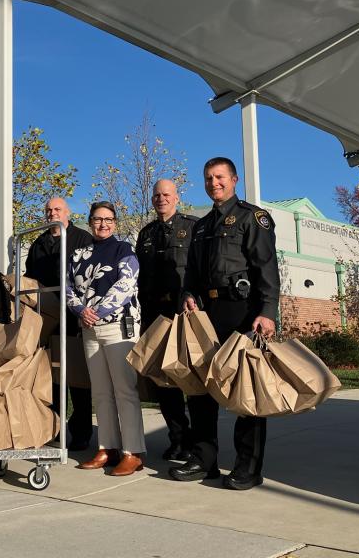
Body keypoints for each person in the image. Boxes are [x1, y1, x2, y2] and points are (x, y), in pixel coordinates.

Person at [172, 157, 278, 491]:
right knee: (200, 389)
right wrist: (188, 294)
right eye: (208, 178)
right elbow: (191, 272)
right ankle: (204, 460)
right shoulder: (202, 226)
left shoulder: (252, 217)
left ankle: (248, 467)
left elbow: (266, 268)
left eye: (219, 177)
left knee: (246, 390)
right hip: (208, 313)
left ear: (234, 180)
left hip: (242, 310)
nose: (213, 183)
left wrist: (268, 311)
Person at [67, 201, 146, 476]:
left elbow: (126, 284)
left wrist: (98, 311)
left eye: (108, 219)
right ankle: (107, 447)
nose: (103, 224)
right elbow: (68, 286)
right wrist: (81, 310)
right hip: (89, 329)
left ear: (115, 223)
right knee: (100, 391)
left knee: (124, 389)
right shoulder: (79, 254)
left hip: (118, 327)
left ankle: (132, 452)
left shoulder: (124, 249)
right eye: (98, 219)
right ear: (90, 222)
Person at [24, 197, 95, 450]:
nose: (52, 213)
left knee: (76, 377)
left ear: (68, 213)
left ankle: (81, 432)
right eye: (48, 210)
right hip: (46, 318)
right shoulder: (39, 243)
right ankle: (54, 428)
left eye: (57, 209)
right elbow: (30, 278)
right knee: (50, 377)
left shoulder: (82, 239)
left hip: (74, 317)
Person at [136, 180, 198, 462]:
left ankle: (198, 442)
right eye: (157, 195)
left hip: (183, 313)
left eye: (166, 195)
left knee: (190, 377)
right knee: (164, 381)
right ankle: (178, 438)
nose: (161, 199)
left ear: (176, 198)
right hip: (154, 313)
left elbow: (199, 269)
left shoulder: (193, 227)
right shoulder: (146, 233)